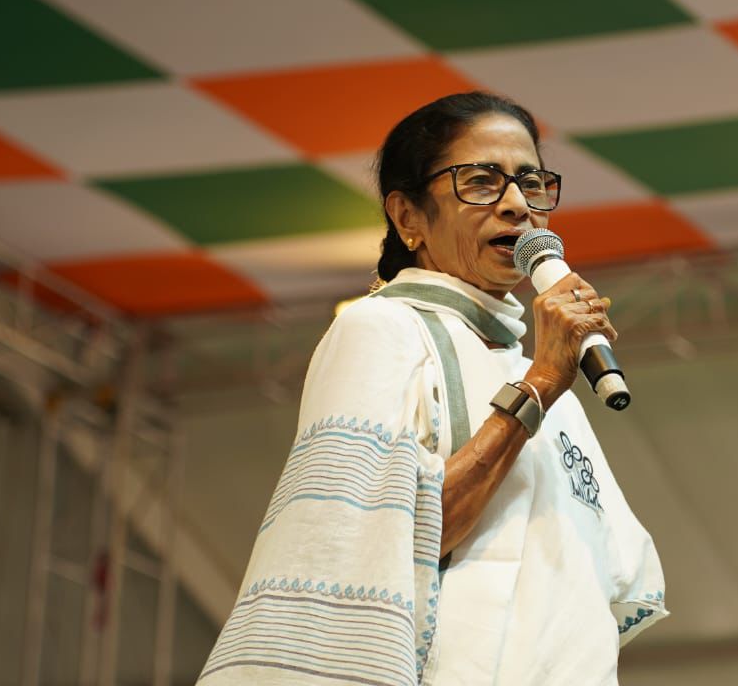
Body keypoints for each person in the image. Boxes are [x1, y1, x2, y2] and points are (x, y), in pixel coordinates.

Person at [197, 92, 666, 686]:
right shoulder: (382, 329)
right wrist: (540, 384)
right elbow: (378, 543)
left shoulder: (562, 391)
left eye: (531, 182)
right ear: (408, 217)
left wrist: (548, 381)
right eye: (480, 182)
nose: (518, 205)